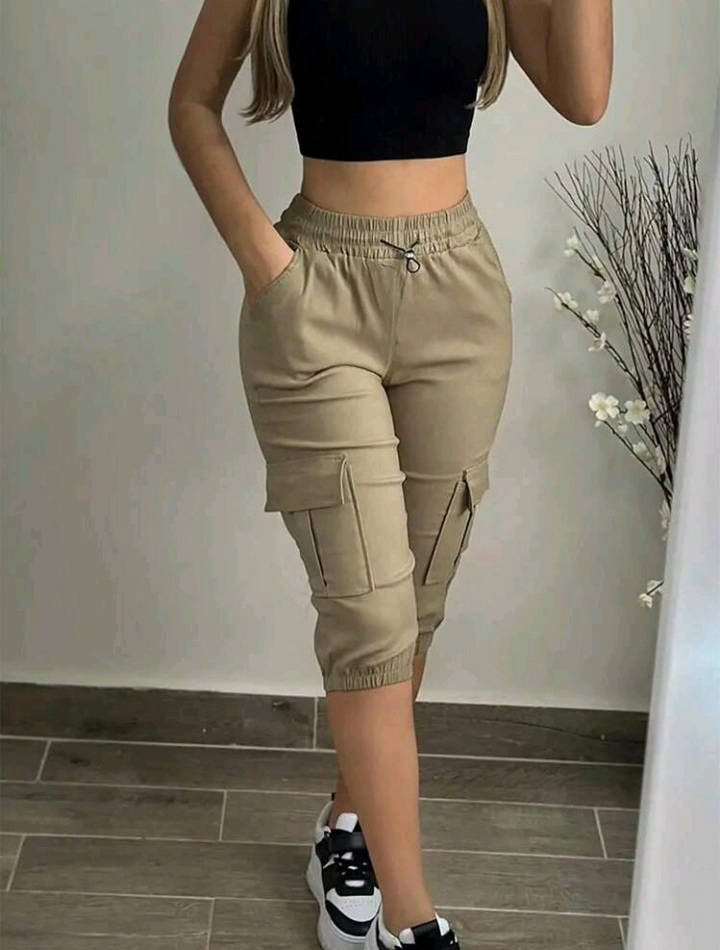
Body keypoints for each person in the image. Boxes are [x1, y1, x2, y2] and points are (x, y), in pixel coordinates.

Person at [168, 2, 613, 947]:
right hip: (314, 295)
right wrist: (266, 262)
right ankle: (409, 925)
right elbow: (191, 105)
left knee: (415, 602)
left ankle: (348, 822)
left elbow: (585, 96)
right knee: (369, 615)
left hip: (459, 299)